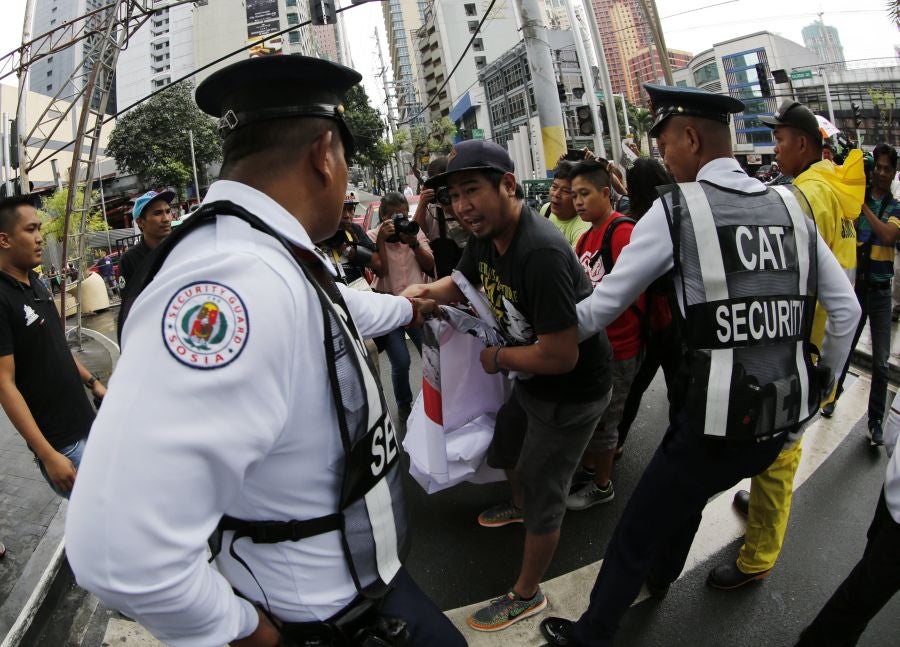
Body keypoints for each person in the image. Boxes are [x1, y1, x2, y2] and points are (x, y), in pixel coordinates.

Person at [65, 56, 462, 647]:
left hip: (363, 590)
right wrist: (247, 635)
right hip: (317, 621)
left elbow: (334, 312)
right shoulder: (235, 283)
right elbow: (115, 552)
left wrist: (410, 305)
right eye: (348, 163)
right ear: (323, 155)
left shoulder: (271, 252)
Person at [539, 84, 860, 647]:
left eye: (665, 142)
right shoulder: (791, 203)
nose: (664, 156)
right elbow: (846, 309)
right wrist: (817, 394)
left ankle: (593, 634)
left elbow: (602, 307)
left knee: (638, 528)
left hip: (711, 424)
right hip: (778, 417)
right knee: (681, 499)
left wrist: (538, 340)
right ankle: (662, 578)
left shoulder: (676, 208)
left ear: (690, 137)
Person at [404, 139, 612, 633]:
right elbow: (463, 281)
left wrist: (497, 358)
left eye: (471, 190)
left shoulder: (538, 252)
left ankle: (527, 592)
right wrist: (424, 293)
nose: (461, 207)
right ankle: (518, 506)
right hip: (532, 380)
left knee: (544, 485)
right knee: (506, 446)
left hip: (571, 391)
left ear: (509, 185)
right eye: (453, 196)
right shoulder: (486, 234)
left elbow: (561, 355)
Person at [709, 100, 866, 591]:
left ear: (801, 144)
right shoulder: (834, 189)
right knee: (773, 443)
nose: (774, 150)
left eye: (778, 141)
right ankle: (756, 508)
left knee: (779, 454)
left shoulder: (806, 194)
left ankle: (757, 557)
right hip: (821, 339)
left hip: (803, 342)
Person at [0, 195, 106, 498]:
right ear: (4, 239)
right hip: (64, 444)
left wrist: (93, 383)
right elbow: (5, 385)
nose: (39, 238)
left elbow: (57, 348)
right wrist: (47, 454)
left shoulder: (35, 283)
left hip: (86, 422)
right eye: (31, 229)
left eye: (39, 230)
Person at [565, 159, 643, 511]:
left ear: (606, 193)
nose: (578, 202)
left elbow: (630, 292)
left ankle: (602, 485)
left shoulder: (621, 231)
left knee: (607, 418)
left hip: (621, 345)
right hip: (594, 343)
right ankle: (592, 469)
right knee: (592, 415)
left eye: (585, 194)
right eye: (574, 195)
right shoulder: (585, 237)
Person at [795, 396, 900, 646]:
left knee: (862, 592)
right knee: (862, 594)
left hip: (894, 493)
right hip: (894, 501)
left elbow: (894, 428)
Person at [827, 143, 900, 444]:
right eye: (878, 167)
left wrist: (863, 206)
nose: (881, 173)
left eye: (887, 168)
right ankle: (832, 395)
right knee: (843, 349)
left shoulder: (895, 207)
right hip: (856, 290)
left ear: (894, 172)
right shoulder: (854, 202)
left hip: (882, 295)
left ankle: (875, 423)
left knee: (881, 362)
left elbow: (888, 235)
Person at [616, 158, 679, 450]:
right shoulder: (677, 212)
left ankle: (615, 446)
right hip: (676, 318)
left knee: (634, 389)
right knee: (681, 386)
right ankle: (680, 443)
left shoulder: (630, 222)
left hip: (644, 321)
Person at [369, 191, 434, 420]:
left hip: (415, 305)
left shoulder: (413, 231)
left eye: (403, 215)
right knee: (401, 360)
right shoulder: (374, 235)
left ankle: (434, 401)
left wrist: (414, 242)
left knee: (431, 355)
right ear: (383, 217)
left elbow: (429, 265)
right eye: (394, 216)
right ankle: (404, 405)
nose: (400, 220)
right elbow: (381, 271)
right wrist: (380, 243)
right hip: (389, 307)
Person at [412, 155, 468, 278]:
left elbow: (476, 233)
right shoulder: (431, 206)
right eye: (438, 185)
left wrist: (453, 210)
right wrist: (422, 203)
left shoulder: (465, 201)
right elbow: (416, 232)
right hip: (443, 273)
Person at [117, 189, 175, 296]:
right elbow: (129, 302)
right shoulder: (129, 259)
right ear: (140, 221)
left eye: (168, 211)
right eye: (158, 213)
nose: (166, 219)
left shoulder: (182, 247)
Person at [544, 161, 590, 247]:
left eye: (565, 191)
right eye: (554, 187)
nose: (556, 194)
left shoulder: (583, 229)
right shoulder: (546, 210)